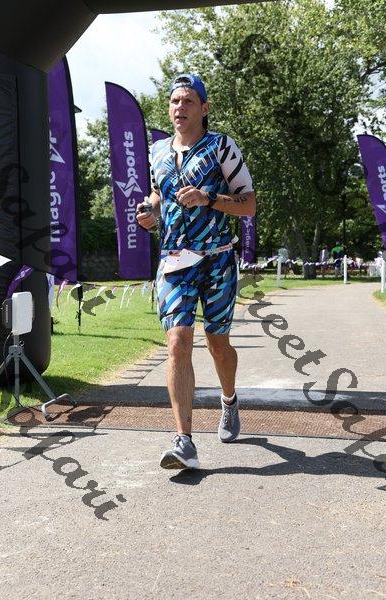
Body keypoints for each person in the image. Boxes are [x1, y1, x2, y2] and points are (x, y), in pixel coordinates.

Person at [136, 73, 256, 470]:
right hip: (174, 262)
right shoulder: (157, 151)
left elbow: (249, 204)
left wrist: (209, 198)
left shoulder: (221, 147)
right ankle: (184, 441)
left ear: (203, 108)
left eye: (188, 101)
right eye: (174, 101)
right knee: (177, 342)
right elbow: (158, 193)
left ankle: (229, 400)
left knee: (218, 344)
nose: (179, 107)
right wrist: (150, 212)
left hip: (216, 260)